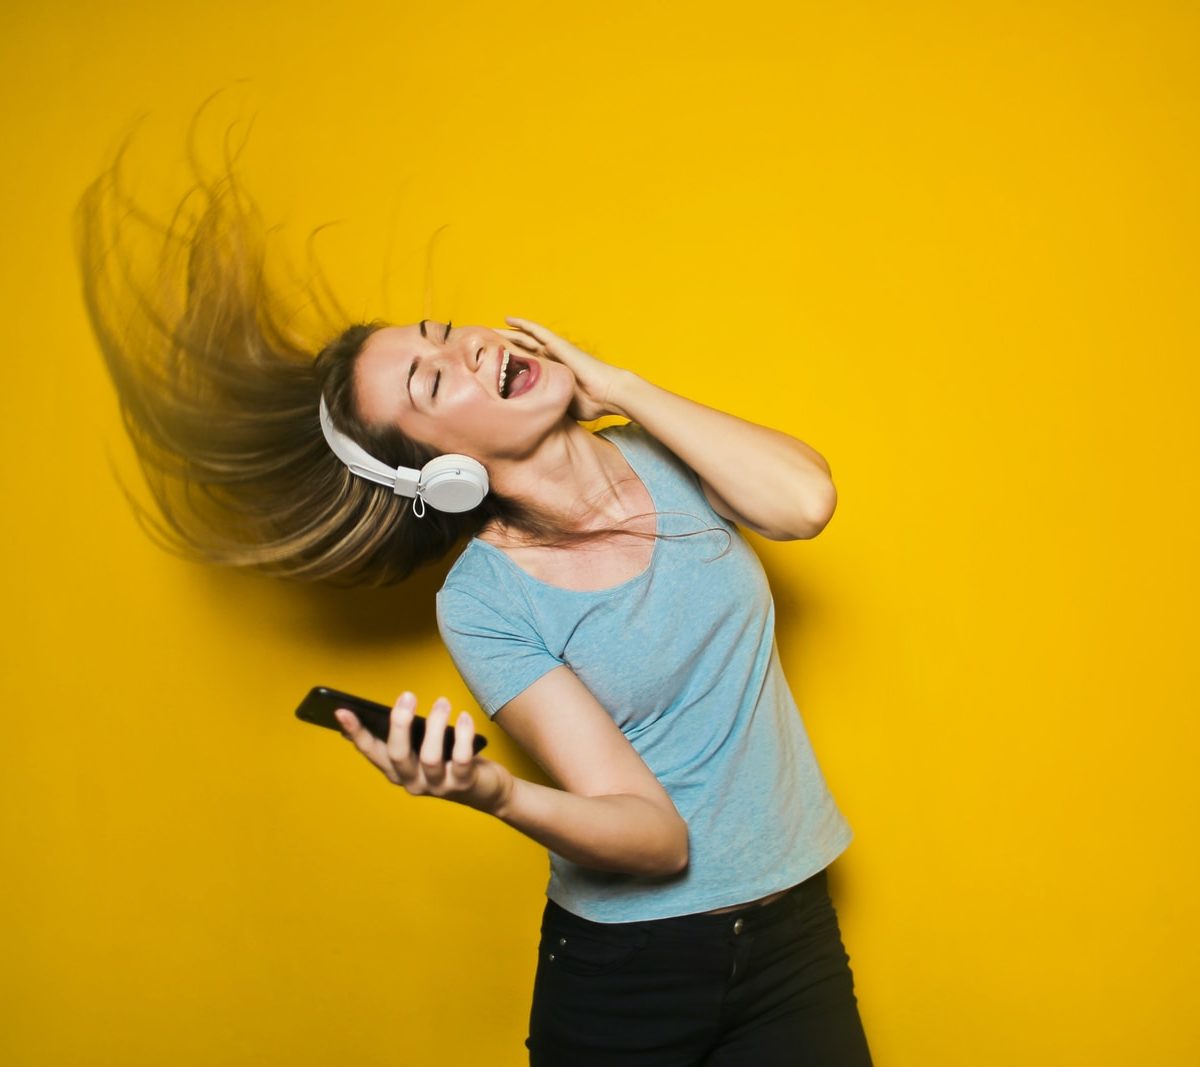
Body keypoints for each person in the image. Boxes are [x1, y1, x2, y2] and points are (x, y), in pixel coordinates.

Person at [77, 154, 874, 1066]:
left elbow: (804, 504)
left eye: (444, 332)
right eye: (430, 381)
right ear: (442, 473)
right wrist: (493, 791)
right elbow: (653, 839)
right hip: (630, 974)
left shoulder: (669, 452)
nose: (467, 349)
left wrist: (617, 386)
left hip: (793, 931)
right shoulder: (486, 600)